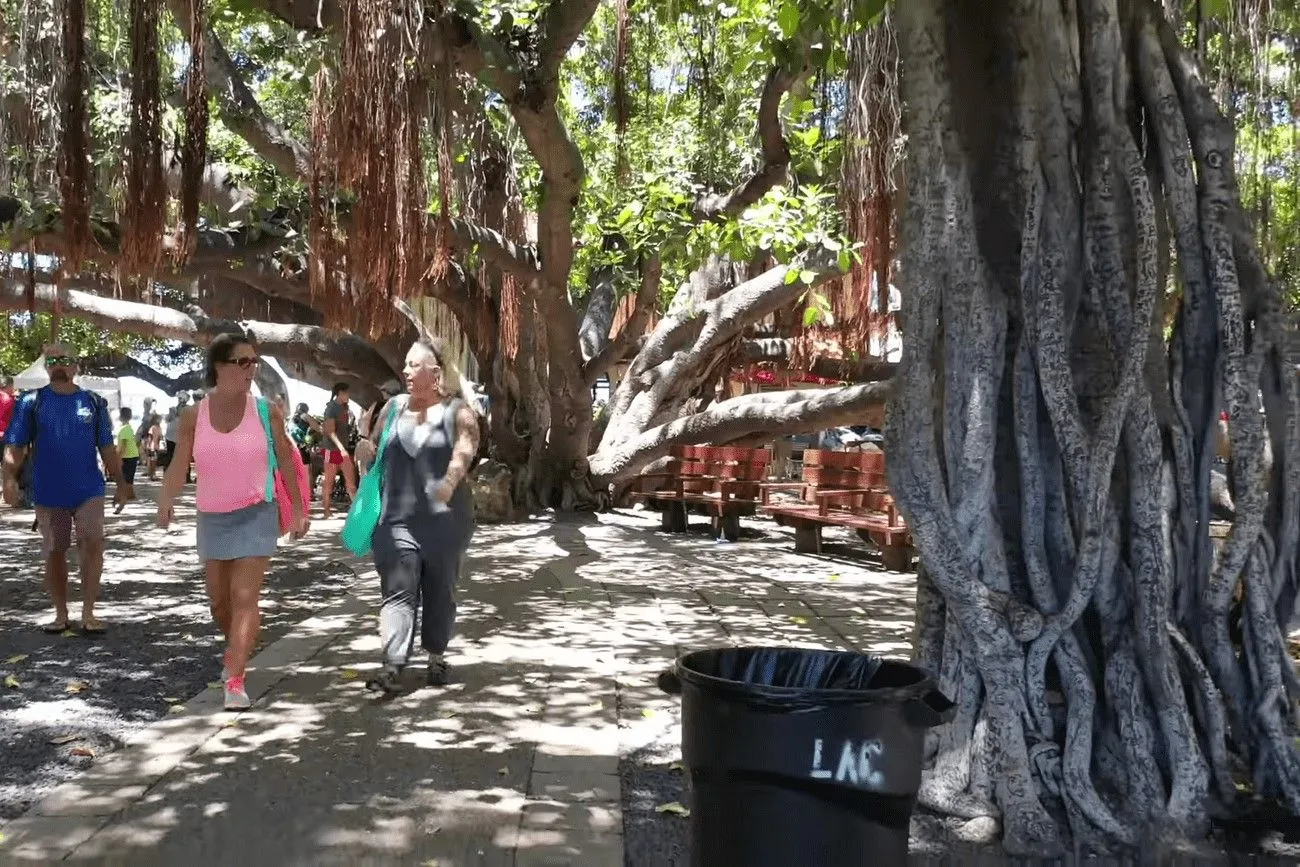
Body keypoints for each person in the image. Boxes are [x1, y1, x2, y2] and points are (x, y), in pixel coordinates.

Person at [157, 334, 309, 710]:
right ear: (219, 368)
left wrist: (301, 509)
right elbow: (179, 463)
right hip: (212, 517)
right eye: (243, 362)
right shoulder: (195, 415)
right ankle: (237, 649)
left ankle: (236, 679)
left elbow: (287, 460)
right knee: (218, 604)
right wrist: (166, 499)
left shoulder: (265, 411)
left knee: (245, 598)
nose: (251, 368)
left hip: (257, 512)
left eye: (254, 361)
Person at [364, 336, 479, 694]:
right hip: (395, 518)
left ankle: (436, 654)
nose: (407, 371)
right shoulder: (393, 407)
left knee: (440, 590)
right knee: (398, 590)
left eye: (415, 365)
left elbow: (466, 446)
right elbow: (375, 445)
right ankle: (393, 665)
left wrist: (450, 479)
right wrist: (363, 450)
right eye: (407, 365)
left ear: (436, 372)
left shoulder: (458, 410)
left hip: (446, 521)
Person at [1, 345, 127, 634]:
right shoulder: (31, 402)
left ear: (76, 366)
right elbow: (16, 445)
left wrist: (122, 483)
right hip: (48, 490)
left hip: (89, 488)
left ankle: (89, 612)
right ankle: (61, 614)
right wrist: (8, 480)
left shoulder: (94, 402)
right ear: (46, 366)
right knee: (55, 550)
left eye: (65, 360)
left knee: (92, 541)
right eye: (52, 360)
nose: (58, 366)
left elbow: (106, 446)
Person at [320, 383, 358, 519]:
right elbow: (330, 431)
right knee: (329, 481)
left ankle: (357, 512)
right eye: (347, 393)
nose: (349, 396)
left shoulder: (345, 408)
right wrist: (341, 448)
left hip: (344, 450)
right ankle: (326, 510)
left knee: (351, 482)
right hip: (332, 449)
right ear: (340, 393)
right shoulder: (331, 408)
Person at [114, 407, 141, 514]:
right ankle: (124, 497)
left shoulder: (124, 429)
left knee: (125, 481)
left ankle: (121, 502)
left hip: (128, 457)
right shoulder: (128, 428)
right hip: (130, 456)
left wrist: (118, 457)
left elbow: (123, 446)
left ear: (121, 416)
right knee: (126, 480)